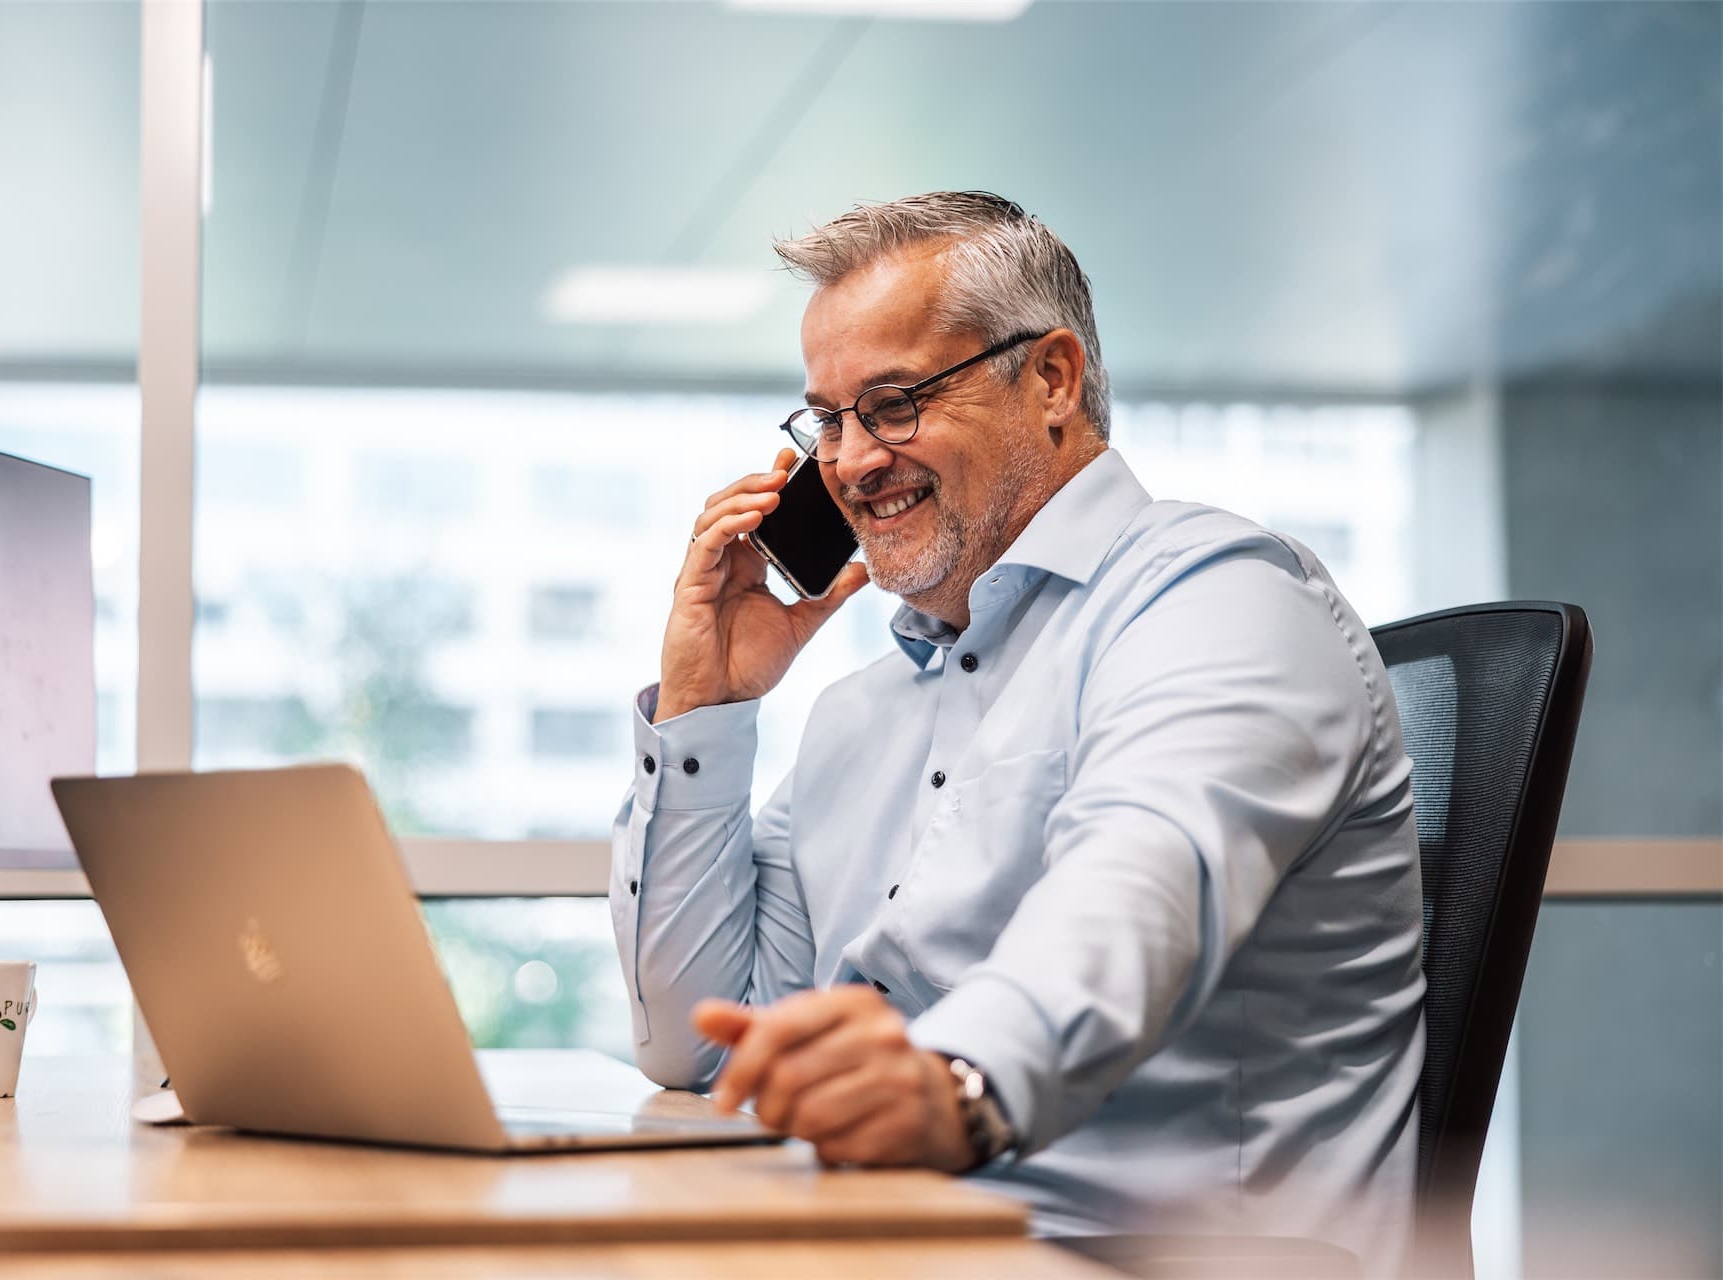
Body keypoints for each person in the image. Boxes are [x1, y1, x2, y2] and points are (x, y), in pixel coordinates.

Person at [609, 191, 1425, 1272]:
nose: (850, 463)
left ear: (1051, 380)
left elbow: (1139, 888)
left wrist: (950, 1082)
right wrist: (705, 703)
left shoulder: (1217, 597)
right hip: (911, 1239)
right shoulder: (860, 715)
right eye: (830, 420)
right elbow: (697, 1045)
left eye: (893, 403)